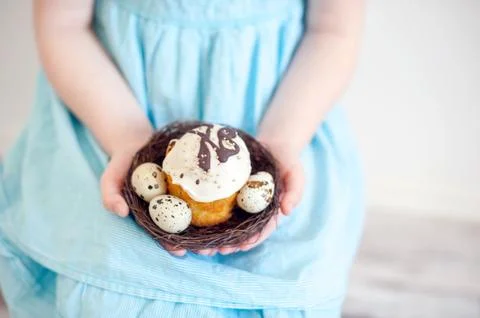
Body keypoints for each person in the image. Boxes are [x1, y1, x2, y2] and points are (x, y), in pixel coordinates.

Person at [0, 0, 365, 316]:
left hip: (286, 114)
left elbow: (332, 31)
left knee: (291, 283)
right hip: (111, 111)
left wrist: (281, 143)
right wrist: (129, 139)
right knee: (112, 284)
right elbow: (64, 26)